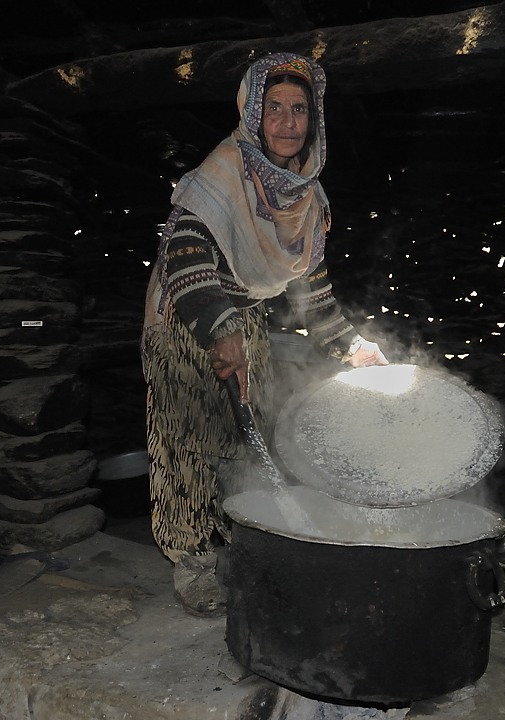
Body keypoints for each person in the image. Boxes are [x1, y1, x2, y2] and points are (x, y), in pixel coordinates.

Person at [141, 51, 388, 617]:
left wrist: (351, 347)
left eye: (299, 110)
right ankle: (193, 562)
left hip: (243, 319)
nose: (286, 122)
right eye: (273, 107)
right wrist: (218, 328)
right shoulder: (222, 174)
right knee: (191, 438)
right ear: (253, 113)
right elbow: (182, 252)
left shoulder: (306, 196)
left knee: (245, 434)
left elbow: (312, 292)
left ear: (313, 120)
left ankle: (237, 542)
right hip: (186, 316)